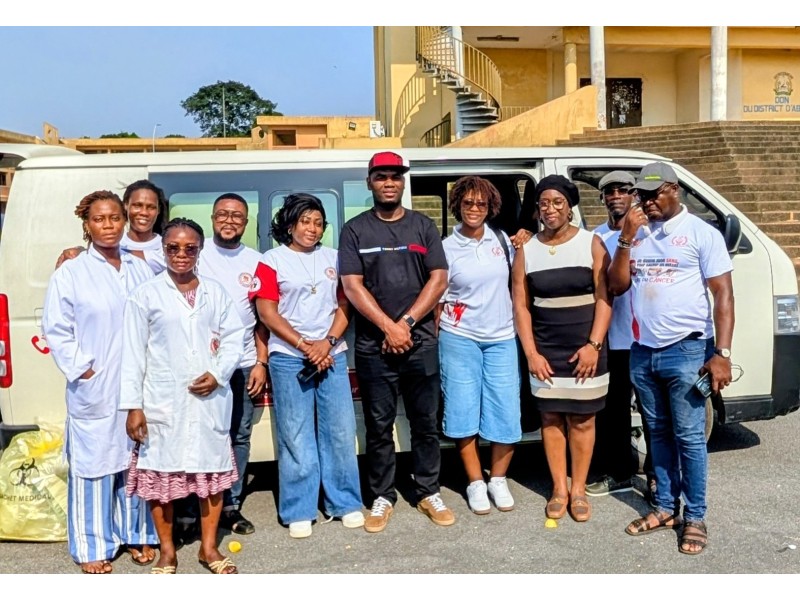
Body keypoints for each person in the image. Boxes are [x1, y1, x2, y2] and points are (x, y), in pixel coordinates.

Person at [609, 162, 734, 556]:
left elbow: (724, 296)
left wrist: (722, 354)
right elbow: (616, 285)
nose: (647, 203)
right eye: (641, 196)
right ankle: (666, 508)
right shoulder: (636, 232)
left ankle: (695, 516)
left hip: (688, 349)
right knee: (657, 434)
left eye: (654, 194)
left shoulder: (701, 234)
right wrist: (626, 239)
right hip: (643, 351)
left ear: (675, 190)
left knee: (690, 438)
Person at [121, 218, 245, 574]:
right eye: (173, 247)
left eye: (189, 247)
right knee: (161, 482)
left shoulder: (216, 292)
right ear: (164, 249)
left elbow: (234, 337)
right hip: (162, 400)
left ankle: (208, 550)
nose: (181, 254)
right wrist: (133, 408)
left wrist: (219, 374)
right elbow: (133, 353)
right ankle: (168, 552)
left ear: (200, 250)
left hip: (209, 400)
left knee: (210, 479)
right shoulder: (145, 294)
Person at [42, 190, 157, 574]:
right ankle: (92, 543)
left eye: (114, 219)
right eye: (99, 219)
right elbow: (56, 329)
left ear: (124, 221)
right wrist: (83, 369)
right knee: (93, 466)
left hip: (137, 383)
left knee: (136, 460)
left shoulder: (138, 267)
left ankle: (137, 533)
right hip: (96, 384)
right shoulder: (71, 272)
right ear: (86, 226)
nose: (108, 226)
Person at [338, 151, 454, 532]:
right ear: (369, 182)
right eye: (381, 177)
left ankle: (427, 491)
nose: (389, 183)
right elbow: (352, 286)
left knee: (424, 423)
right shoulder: (355, 230)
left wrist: (404, 323)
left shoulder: (423, 226)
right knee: (378, 425)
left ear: (403, 182)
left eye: (395, 177)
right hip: (375, 347)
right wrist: (388, 327)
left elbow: (438, 279)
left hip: (420, 342)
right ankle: (382, 497)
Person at [251, 193, 363, 539]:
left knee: (340, 431)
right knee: (296, 435)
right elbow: (267, 312)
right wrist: (304, 346)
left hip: (331, 352)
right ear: (289, 225)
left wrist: (326, 343)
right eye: (304, 222)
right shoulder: (272, 260)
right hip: (288, 357)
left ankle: (344, 502)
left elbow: (346, 304)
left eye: (318, 223)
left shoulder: (335, 258)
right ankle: (299, 508)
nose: (312, 229)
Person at [512, 175, 612, 523]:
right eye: (543, 203)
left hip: (585, 348)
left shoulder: (591, 243)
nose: (550, 209)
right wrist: (531, 353)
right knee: (551, 419)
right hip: (545, 349)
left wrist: (593, 346)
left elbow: (604, 297)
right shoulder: (527, 248)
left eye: (557, 202)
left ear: (570, 206)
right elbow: (521, 305)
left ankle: (579, 489)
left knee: (583, 420)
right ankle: (559, 488)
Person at [437, 176, 520, 514]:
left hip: (501, 336)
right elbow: (438, 300)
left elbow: (518, 285)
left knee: (505, 408)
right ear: (457, 205)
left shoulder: (503, 241)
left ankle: (498, 478)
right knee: (462, 408)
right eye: (468, 203)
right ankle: (475, 481)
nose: (474, 209)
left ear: (490, 207)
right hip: (459, 337)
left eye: (481, 204)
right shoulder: (444, 247)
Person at [197, 193, 268, 536]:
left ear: (246, 222)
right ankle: (191, 507)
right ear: (213, 218)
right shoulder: (194, 252)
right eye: (223, 214)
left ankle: (230, 505)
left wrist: (261, 362)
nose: (229, 220)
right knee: (200, 434)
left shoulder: (257, 260)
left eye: (237, 216)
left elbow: (262, 318)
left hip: (243, 364)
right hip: (202, 365)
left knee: (239, 435)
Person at [587, 171, 656, 504]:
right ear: (602, 199)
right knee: (611, 413)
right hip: (611, 340)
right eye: (609, 191)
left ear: (635, 196)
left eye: (623, 190)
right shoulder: (597, 237)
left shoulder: (651, 232)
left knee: (653, 413)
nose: (616, 196)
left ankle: (657, 477)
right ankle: (619, 473)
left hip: (646, 340)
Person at [55, 179, 168, 273]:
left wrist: (82, 252)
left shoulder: (170, 247)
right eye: (137, 205)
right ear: (125, 206)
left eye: (151, 207)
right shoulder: (112, 240)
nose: (144, 212)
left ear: (158, 210)